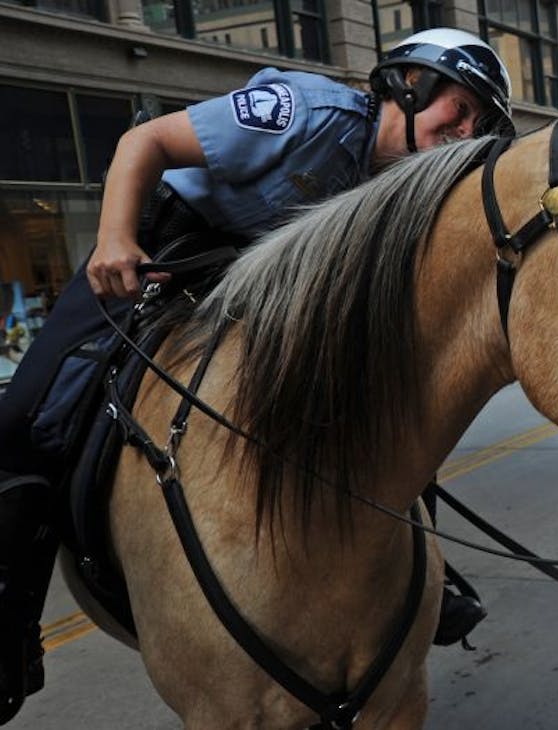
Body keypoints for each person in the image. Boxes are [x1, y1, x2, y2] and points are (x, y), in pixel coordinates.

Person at [0, 27, 514, 720]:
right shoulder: (305, 113)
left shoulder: (403, 188)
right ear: (409, 84)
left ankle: (424, 576)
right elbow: (142, 144)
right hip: (170, 250)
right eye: (461, 107)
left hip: (267, 285)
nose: (466, 130)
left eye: (483, 125)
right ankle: (10, 626)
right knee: (26, 418)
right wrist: (117, 237)